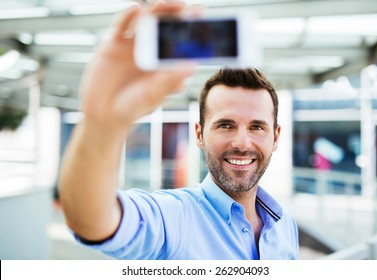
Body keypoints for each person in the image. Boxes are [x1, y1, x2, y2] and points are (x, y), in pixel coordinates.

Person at [59, 1, 299, 260]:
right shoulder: (173, 218)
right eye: (225, 125)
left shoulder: (285, 225)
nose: (242, 142)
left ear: (275, 137)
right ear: (199, 134)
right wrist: (101, 124)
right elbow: (92, 220)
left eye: (257, 127)